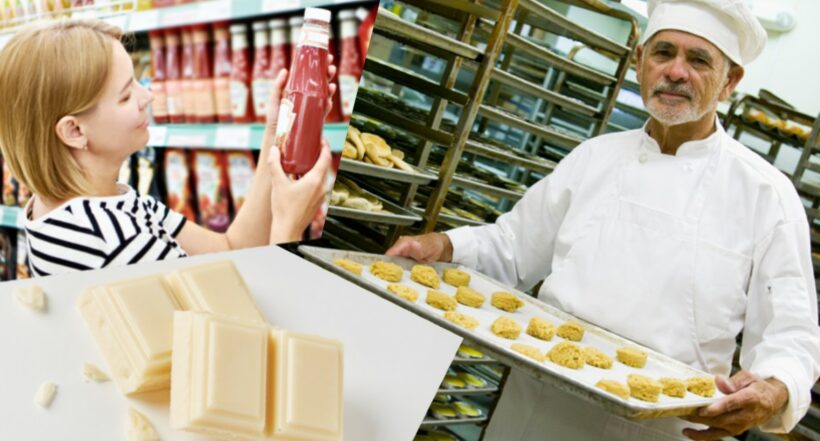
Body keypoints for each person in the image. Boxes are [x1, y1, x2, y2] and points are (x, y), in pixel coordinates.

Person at [388, 0, 820, 439]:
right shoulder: (595, 157)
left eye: (698, 60)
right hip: (536, 412)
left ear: (730, 82)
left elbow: (793, 333)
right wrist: (445, 245)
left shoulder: (765, 194)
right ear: (639, 62)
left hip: (662, 427)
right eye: (663, 52)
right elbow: (513, 248)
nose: (675, 71)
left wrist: (776, 387)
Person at [0, 19, 334, 276]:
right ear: (74, 130)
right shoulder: (114, 240)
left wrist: (275, 133)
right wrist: (290, 227)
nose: (148, 96)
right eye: (127, 95)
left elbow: (230, 248)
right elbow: (241, 331)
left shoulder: (97, 201)